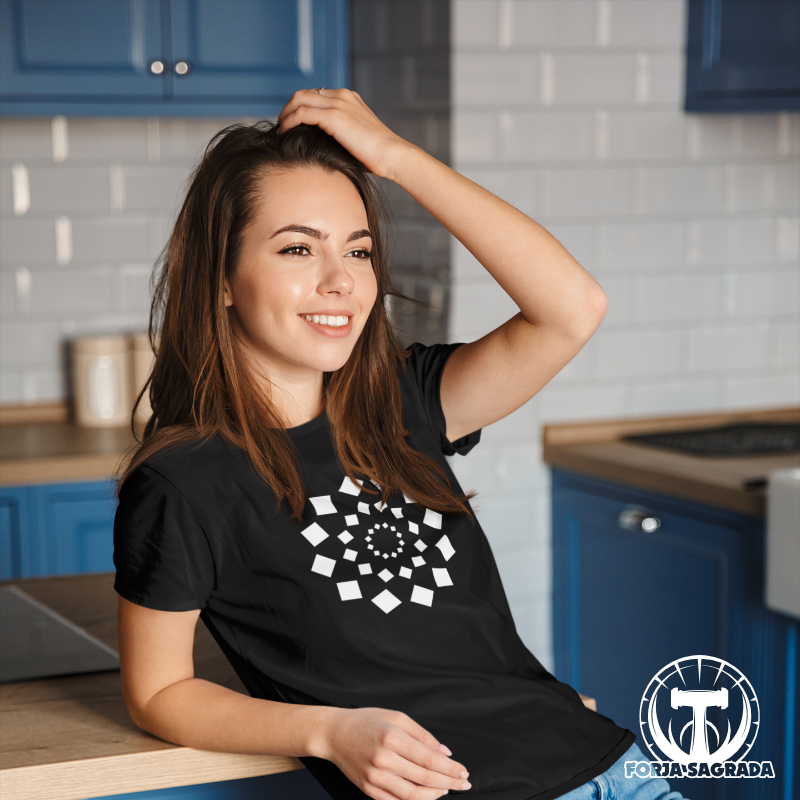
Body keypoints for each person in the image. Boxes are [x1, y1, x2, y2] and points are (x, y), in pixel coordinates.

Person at [114, 88, 686, 800]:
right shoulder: (185, 481)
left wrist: (396, 158)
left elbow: (573, 307)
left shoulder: (404, 400)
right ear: (222, 278)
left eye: (358, 250)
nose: (340, 281)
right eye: (298, 248)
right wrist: (329, 731)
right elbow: (159, 692)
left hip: (618, 773)